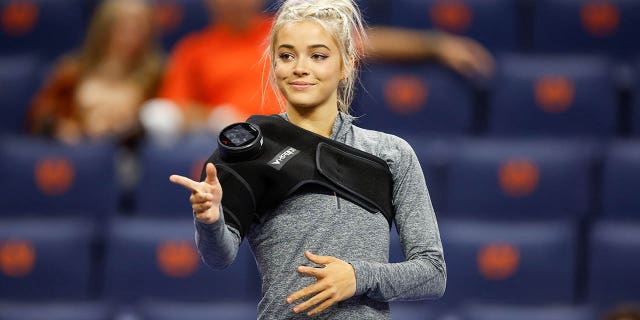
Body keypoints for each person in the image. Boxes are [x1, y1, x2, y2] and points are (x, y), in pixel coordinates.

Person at [169, 0, 446, 318]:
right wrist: (210, 219)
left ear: (346, 64)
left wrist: (358, 277)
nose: (300, 67)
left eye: (318, 56)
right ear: (273, 65)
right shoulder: (251, 149)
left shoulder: (392, 154)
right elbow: (219, 256)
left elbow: (432, 273)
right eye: (287, 56)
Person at [155, 0, 493, 134]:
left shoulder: (288, 28)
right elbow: (175, 111)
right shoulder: (194, 50)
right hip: (240, 143)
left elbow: (364, 41)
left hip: (306, 135)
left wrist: (435, 44)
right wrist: (222, 117)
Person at [27, 0, 163, 146]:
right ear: (104, 28)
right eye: (122, 26)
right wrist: (60, 127)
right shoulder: (72, 72)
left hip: (128, 156)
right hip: (79, 150)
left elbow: (160, 125)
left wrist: (129, 130)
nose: (130, 35)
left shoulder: (157, 76)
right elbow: (40, 115)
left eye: (139, 28)